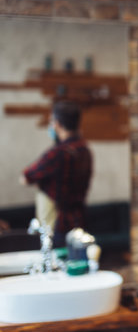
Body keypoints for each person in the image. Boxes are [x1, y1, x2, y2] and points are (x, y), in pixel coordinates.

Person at [20, 101, 92, 247]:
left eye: (52, 121)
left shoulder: (57, 153)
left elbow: (26, 177)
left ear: (58, 123)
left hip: (58, 225)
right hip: (79, 221)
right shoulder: (85, 150)